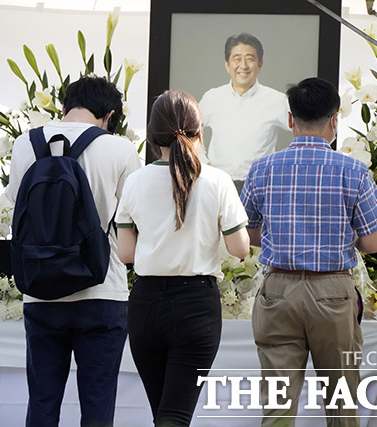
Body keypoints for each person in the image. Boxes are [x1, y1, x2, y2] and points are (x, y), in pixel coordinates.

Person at [240, 77, 377, 426]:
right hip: (333, 295)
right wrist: (335, 236)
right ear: (335, 119)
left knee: (277, 410)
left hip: (277, 291)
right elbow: (371, 243)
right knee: (341, 407)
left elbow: (247, 232)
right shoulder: (353, 171)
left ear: (290, 119)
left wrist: (282, 238)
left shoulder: (262, 169)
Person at [5, 75, 142, 426]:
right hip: (102, 291)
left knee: (42, 403)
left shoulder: (25, 144)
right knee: (98, 406)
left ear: (64, 106)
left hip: (41, 291)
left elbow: (16, 203)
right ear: (109, 115)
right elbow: (131, 215)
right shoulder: (120, 150)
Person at [115, 89, 250, 426]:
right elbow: (240, 249)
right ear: (199, 132)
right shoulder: (217, 181)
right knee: (174, 415)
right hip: (196, 305)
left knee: (163, 412)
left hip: (145, 305)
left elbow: (125, 253)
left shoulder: (135, 182)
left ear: (151, 135)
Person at [199, 32, 290, 192]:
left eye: (250, 59)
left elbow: (303, 129)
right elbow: (189, 132)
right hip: (218, 185)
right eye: (237, 59)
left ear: (260, 64)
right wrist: (203, 162)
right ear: (227, 65)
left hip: (259, 186)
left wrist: (282, 166)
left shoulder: (277, 100)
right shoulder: (212, 97)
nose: (244, 66)